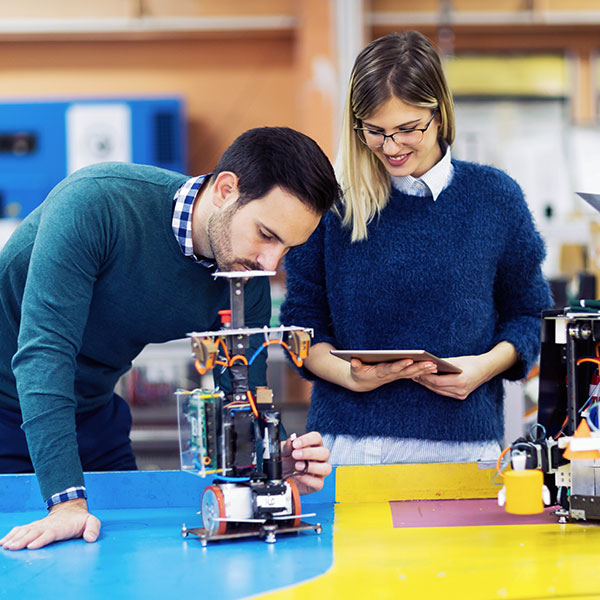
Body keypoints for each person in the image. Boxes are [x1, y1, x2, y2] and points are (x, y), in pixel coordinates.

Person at [0, 126, 339, 551]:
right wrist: (67, 502)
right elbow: (43, 355)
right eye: (267, 235)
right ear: (226, 189)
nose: (269, 264)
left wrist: (270, 462)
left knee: (113, 552)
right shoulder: (97, 204)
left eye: (287, 249)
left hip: (93, 415)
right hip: (10, 408)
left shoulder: (244, 277)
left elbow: (241, 397)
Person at [281, 31, 553, 466]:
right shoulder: (333, 205)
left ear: (439, 114)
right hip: (348, 448)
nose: (391, 147)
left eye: (408, 129)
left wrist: (482, 368)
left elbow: (528, 313)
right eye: (375, 131)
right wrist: (350, 378)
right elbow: (301, 325)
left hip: (465, 451)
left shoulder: (494, 197)